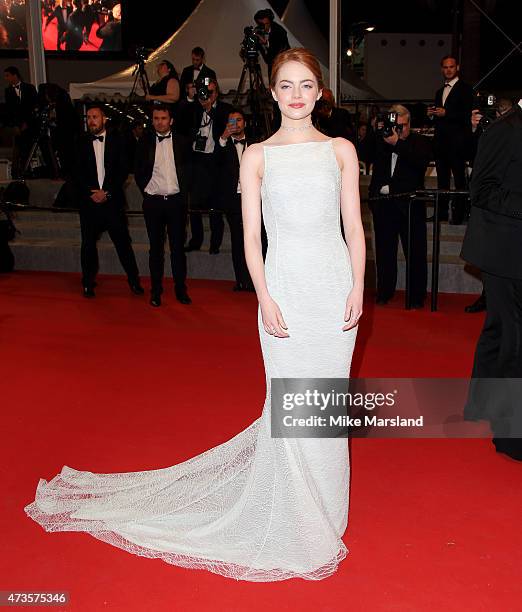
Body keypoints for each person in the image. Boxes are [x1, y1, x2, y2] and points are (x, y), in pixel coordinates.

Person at [24, 48, 366, 582]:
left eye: (306, 85)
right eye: (286, 86)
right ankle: (297, 514)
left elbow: (354, 227)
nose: (296, 95)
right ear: (272, 93)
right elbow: (251, 238)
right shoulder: (256, 156)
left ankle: (328, 511)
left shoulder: (341, 150)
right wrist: (265, 296)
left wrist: (358, 287)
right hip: (284, 291)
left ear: (319, 92)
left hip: (333, 291)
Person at [461, 100, 522, 461]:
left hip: (511, 248)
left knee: (500, 327)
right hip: (504, 250)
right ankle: (511, 435)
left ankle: (480, 403)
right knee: (516, 339)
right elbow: (480, 189)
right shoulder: (506, 129)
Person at [72, 104, 144, 298]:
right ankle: (87, 282)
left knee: (123, 244)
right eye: (88, 117)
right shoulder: (80, 142)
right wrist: (91, 193)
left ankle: (134, 281)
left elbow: (122, 170)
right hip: (89, 203)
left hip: (112, 203)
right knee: (87, 245)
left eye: (95, 117)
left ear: (104, 119)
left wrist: (107, 193)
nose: (91, 120)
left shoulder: (118, 141)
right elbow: (75, 173)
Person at [369, 105, 432, 308]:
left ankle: (416, 297)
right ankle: (384, 292)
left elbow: (419, 163)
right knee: (384, 253)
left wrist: (397, 143)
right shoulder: (383, 140)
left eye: (402, 127)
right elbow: (367, 156)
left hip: (410, 206)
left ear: (410, 124)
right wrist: (376, 131)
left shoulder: (420, 142)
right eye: (395, 126)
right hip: (385, 206)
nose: (398, 131)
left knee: (415, 253)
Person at [134, 104, 192, 307]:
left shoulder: (183, 142)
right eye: (156, 118)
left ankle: (180, 290)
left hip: (176, 202)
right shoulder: (144, 142)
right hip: (153, 202)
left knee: (178, 250)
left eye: (163, 118)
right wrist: (146, 189)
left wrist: (184, 194)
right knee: (155, 250)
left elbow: (189, 169)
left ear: (171, 120)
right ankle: (155, 291)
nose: (160, 122)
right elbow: (138, 169)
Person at [464, 97, 514, 314]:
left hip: (505, 208)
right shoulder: (491, 132)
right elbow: (468, 155)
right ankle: (488, 297)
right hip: (487, 205)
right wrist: (475, 129)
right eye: (498, 113)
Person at [177, 78, 232, 253]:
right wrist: (192, 98)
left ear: (216, 93)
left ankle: (215, 243)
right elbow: (179, 118)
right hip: (195, 160)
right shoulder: (192, 108)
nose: (206, 95)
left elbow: (229, 128)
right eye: (203, 91)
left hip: (215, 161)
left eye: (210, 92)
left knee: (215, 205)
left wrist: (210, 109)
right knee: (194, 205)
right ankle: (196, 241)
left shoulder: (225, 110)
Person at [427, 55, 473, 224]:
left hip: (458, 143)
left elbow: (467, 115)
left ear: (457, 68)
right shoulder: (439, 92)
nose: (448, 70)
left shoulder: (466, 90)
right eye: (445, 67)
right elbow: (440, 117)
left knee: (460, 180)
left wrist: (447, 113)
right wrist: (432, 116)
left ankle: (459, 214)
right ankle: (442, 213)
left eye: (451, 67)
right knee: (442, 181)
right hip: (441, 143)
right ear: (441, 69)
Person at [217, 108, 254, 291]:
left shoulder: (256, 144)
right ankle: (241, 280)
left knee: (257, 240)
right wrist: (223, 138)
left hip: (255, 200)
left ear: (244, 123)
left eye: (239, 120)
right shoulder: (223, 146)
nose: (236, 124)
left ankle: (258, 281)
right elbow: (212, 164)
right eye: (232, 121)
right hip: (233, 201)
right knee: (238, 241)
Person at [3, 66, 38, 178]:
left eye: (8, 75)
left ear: (15, 75)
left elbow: (33, 106)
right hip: (17, 125)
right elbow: (10, 110)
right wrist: (16, 124)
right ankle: (17, 172)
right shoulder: (8, 91)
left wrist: (28, 122)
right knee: (18, 148)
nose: (6, 78)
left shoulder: (29, 88)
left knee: (27, 149)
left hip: (30, 124)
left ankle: (25, 171)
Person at [254, 8, 290, 77]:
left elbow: (279, 49)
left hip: (282, 62)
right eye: (261, 24)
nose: (264, 27)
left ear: (270, 21)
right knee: (272, 81)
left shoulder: (279, 31)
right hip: (271, 62)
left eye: (267, 23)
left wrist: (265, 43)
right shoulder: (258, 30)